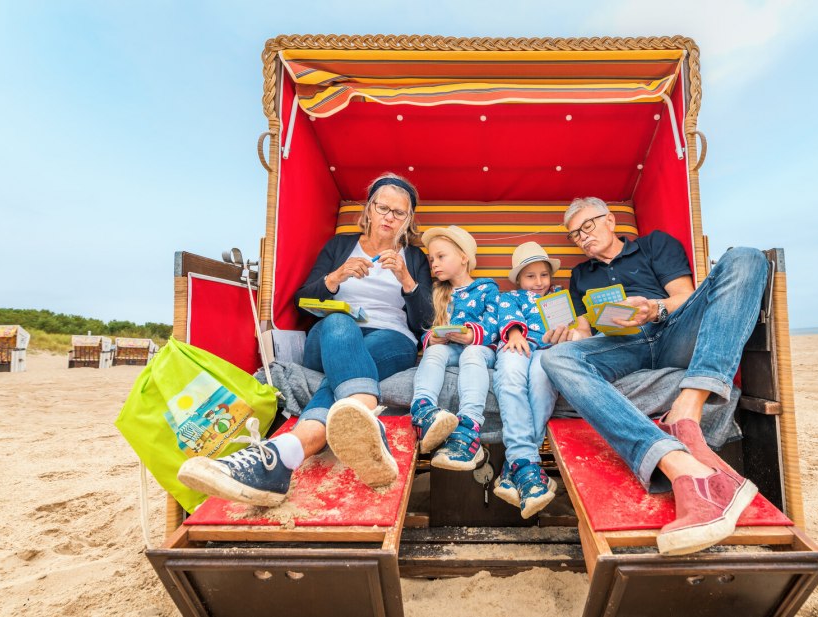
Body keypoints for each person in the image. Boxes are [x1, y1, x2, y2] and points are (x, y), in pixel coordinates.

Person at [177, 173, 433, 506]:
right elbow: (303, 300)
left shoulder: (413, 258)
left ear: (408, 219)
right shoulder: (340, 247)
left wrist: (407, 281)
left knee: (355, 363)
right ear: (369, 209)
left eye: (399, 213)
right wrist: (336, 277)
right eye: (383, 207)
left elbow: (425, 321)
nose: (389, 217)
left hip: (391, 339)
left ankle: (283, 454)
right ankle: (368, 423)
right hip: (330, 337)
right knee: (340, 321)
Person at [541, 197, 769, 555]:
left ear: (610, 220)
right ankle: (675, 461)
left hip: (672, 330)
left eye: (587, 227)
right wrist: (572, 333)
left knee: (746, 257)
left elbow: (686, 297)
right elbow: (584, 327)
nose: (582, 238)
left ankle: (687, 410)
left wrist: (653, 308)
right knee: (557, 359)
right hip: (623, 345)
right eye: (574, 236)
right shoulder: (581, 276)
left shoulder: (655, 245)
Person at [408, 225, 501, 471]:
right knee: (434, 351)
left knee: (471, 353)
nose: (434, 264)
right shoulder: (439, 292)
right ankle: (423, 410)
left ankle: (469, 424)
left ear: (463, 257)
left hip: (479, 349)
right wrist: (433, 338)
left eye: (441, 256)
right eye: (431, 259)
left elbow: (494, 322)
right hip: (449, 348)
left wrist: (472, 335)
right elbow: (429, 327)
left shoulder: (486, 287)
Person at [491, 242, 562, 518]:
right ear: (519, 279)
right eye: (530, 276)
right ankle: (528, 466)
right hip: (516, 345)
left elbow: (567, 325)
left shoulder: (558, 296)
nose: (539, 282)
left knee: (543, 382)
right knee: (510, 378)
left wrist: (566, 334)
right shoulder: (510, 297)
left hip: (548, 350)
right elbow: (507, 318)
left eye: (543, 275)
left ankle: (516, 466)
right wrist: (515, 334)